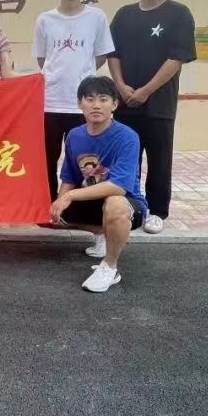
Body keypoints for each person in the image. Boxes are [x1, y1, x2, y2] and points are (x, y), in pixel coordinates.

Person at [107, 0, 196, 235]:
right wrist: (120, 86)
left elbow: (176, 58)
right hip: (125, 103)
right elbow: (113, 53)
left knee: (159, 160)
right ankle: (129, 206)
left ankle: (157, 211)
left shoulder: (178, 14)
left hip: (159, 104)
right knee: (126, 158)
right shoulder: (124, 15)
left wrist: (146, 90)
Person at [49, 76, 148, 293]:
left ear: (114, 104)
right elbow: (70, 178)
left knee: (115, 204)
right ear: (79, 103)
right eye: (90, 99)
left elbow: (118, 187)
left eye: (103, 99)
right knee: (50, 214)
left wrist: (70, 196)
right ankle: (109, 234)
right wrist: (59, 203)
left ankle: (109, 267)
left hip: (127, 203)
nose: (96, 105)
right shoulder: (75, 135)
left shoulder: (127, 136)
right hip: (92, 200)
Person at [33, 0, 114, 199]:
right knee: (46, 158)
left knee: (84, 160)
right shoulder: (45, 19)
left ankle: (79, 204)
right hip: (50, 102)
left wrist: (82, 73)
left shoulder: (96, 17)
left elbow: (101, 55)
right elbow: (42, 59)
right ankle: (47, 204)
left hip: (83, 104)